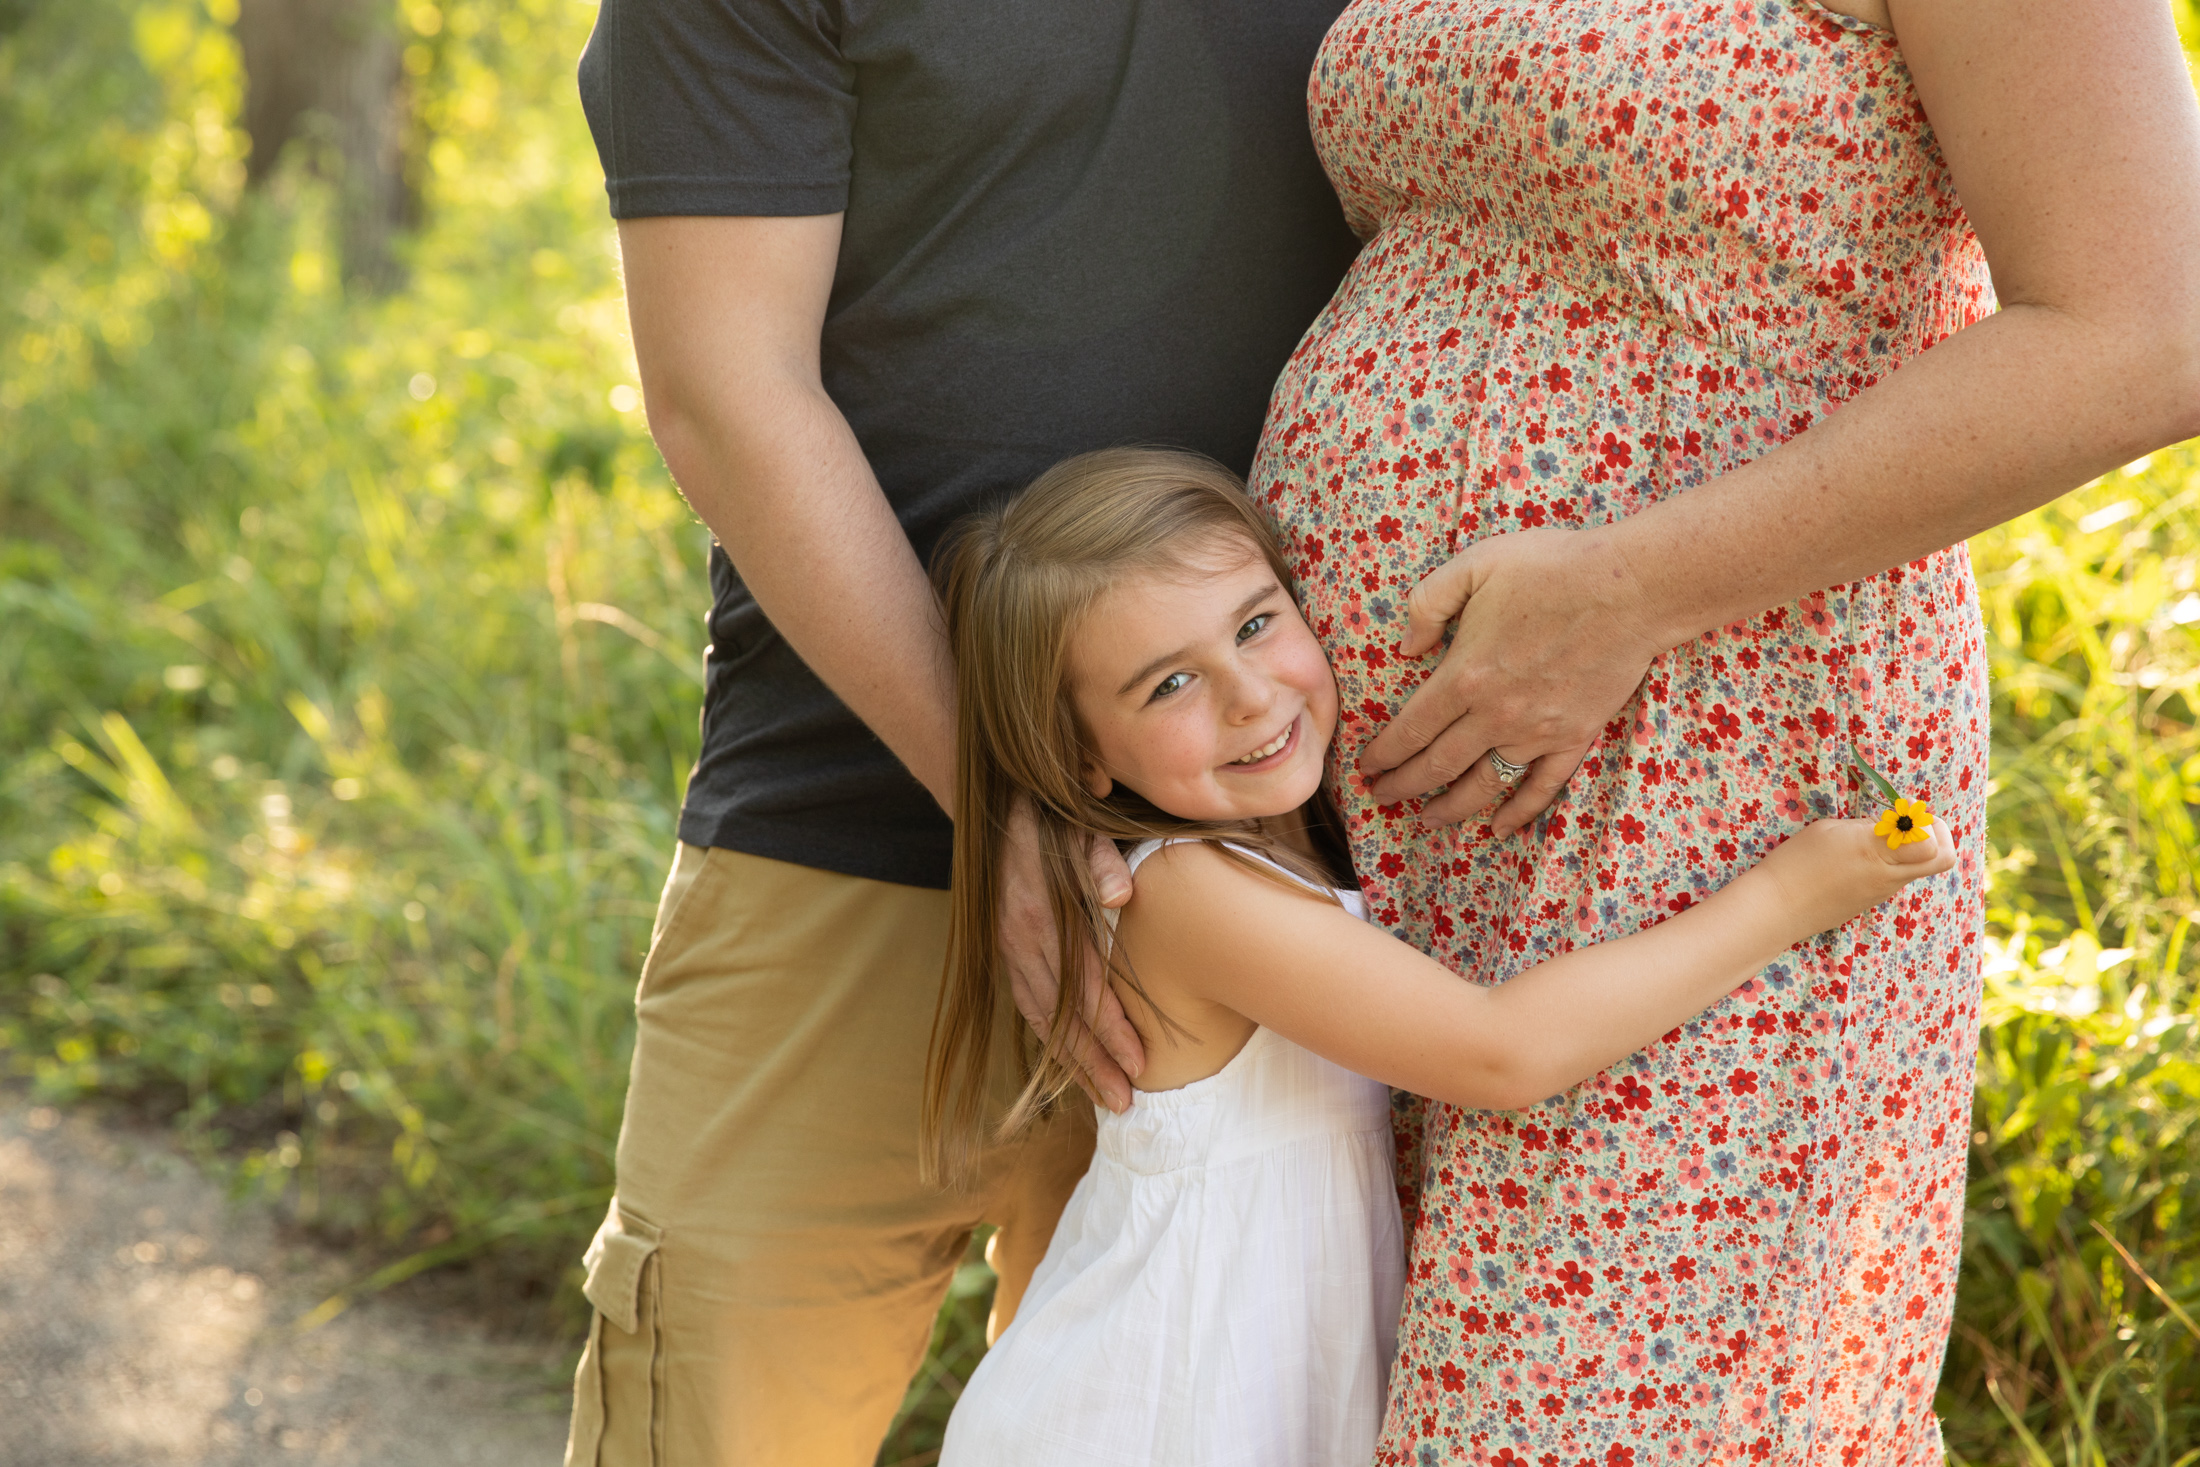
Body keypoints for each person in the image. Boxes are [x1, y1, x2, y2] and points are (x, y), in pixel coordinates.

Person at [1249, 0, 2200, 1460]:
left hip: (1708, 769)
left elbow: (2153, 328)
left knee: (1609, 1408)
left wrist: (1629, 589)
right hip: (1374, 796)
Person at [560, 3, 1363, 1464]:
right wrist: (1011, 802)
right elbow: (725, 388)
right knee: (721, 1427)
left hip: (1278, 879)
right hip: (856, 839)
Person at [923, 448, 1952, 1467]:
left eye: (1254, 623)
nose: (1246, 696)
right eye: (1170, 684)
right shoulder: (1182, 895)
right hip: (1160, 1403)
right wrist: (1785, 897)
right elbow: (1500, 1053)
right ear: (1078, 759)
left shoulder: (1261, 850)